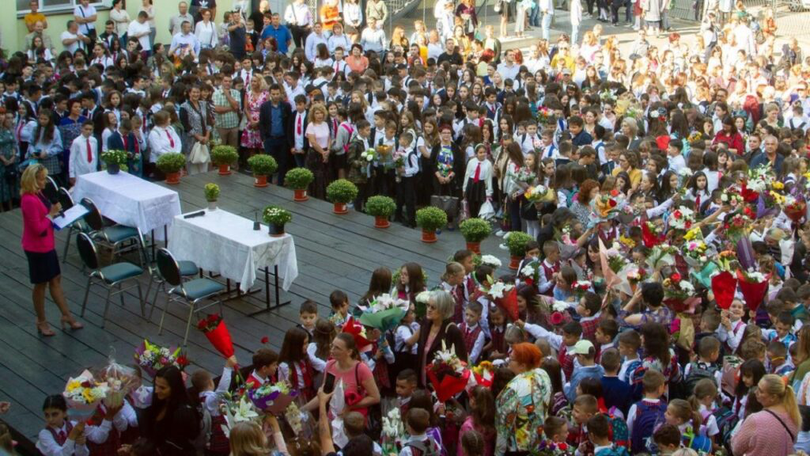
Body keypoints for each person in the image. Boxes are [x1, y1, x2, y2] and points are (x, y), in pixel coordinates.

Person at [20, 164, 83, 337]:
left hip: (47, 245)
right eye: (41, 179)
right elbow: (37, 229)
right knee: (40, 284)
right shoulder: (29, 200)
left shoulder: (39, 194)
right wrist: (51, 214)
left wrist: (55, 213)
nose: (44, 182)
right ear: (33, 180)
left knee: (55, 279)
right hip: (37, 248)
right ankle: (41, 321)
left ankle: (66, 315)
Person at [494, 343, 552, 455]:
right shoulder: (543, 375)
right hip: (540, 441)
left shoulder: (513, 388)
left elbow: (502, 426)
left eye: (511, 359)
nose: (508, 361)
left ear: (522, 365)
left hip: (519, 447)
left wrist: (498, 453)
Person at [731, 374, 800, 456]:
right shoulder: (794, 417)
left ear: (773, 397)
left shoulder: (755, 419)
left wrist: (733, 438)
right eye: (757, 388)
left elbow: (736, 449)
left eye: (761, 391)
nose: (756, 392)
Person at [141, 366, 201, 454]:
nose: (156, 390)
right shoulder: (161, 400)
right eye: (156, 385)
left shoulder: (182, 413)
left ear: (174, 388)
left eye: (162, 388)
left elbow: (176, 446)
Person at [416, 289, 468, 386]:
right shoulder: (425, 322)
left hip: (440, 384)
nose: (429, 309)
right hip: (422, 381)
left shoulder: (452, 331)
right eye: (428, 305)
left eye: (433, 307)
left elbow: (461, 362)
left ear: (443, 310)